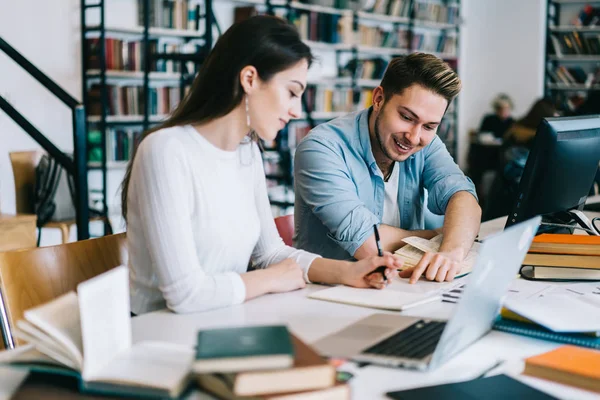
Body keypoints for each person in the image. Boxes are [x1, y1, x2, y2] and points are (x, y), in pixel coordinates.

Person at [121, 16, 402, 315]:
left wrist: (349, 273)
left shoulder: (248, 153)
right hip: (158, 334)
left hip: (224, 319)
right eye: (292, 92)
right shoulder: (166, 150)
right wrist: (270, 279)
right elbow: (185, 295)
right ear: (250, 79)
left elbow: (270, 253)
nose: (295, 111)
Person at [294, 53, 481, 284]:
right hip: (329, 294)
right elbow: (369, 244)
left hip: (404, 285)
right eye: (406, 117)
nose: (414, 137)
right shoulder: (322, 148)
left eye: (429, 126)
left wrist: (451, 252)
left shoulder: (426, 143)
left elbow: (464, 198)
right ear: (379, 98)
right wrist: (441, 235)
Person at [482, 97, 558, 221]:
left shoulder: (518, 127)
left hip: (508, 202)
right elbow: (521, 176)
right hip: (507, 207)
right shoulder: (526, 139)